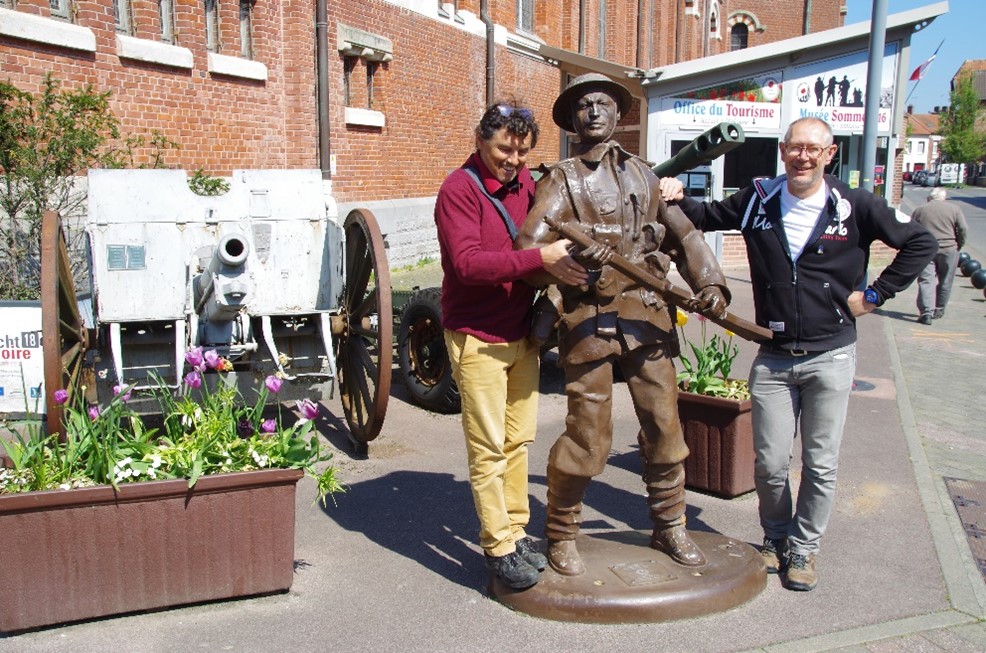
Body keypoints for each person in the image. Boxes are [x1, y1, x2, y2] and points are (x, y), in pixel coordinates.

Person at [663, 117, 936, 591]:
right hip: (773, 355)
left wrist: (875, 296)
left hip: (831, 356)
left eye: (814, 149)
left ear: (829, 154)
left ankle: (805, 548)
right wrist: (674, 192)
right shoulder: (759, 198)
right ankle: (776, 536)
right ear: (784, 150)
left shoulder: (855, 206)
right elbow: (705, 216)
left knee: (820, 462)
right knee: (768, 463)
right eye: (795, 148)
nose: (803, 156)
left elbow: (921, 243)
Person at [515, 73, 730, 577]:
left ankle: (671, 524)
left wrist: (712, 284)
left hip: (647, 319)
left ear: (619, 115)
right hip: (588, 318)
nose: (593, 111)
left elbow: (684, 235)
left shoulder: (645, 177)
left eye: (603, 104)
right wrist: (568, 258)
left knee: (664, 425)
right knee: (589, 434)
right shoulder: (562, 179)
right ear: (572, 119)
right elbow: (528, 249)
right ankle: (563, 531)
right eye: (584, 105)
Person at [435, 101, 588, 590]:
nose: (514, 160)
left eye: (522, 151)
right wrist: (538, 259)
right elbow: (469, 265)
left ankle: (517, 529)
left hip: (522, 335)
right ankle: (498, 546)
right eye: (505, 148)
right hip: (477, 337)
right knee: (487, 449)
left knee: (517, 441)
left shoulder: (527, 183)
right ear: (481, 140)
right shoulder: (458, 191)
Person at [912, 187, 968, 324]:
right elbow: (963, 228)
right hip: (949, 249)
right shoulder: (954, 209)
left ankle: (926, 312)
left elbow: (911, 229)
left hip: (926, 249)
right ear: (944, 197)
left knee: (926, 280)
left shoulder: (920, 210)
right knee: (946, 281)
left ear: (929, 198)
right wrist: (959, 244)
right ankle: (939, 309)